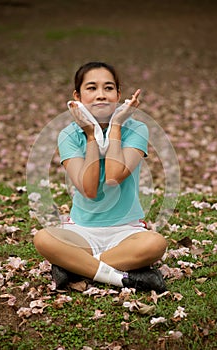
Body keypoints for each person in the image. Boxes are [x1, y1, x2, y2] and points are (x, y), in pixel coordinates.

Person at [34, 61, 167, 292]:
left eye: (108, 88)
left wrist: (116, 125)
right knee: (43, 238)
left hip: (126, 232)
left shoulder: (136, 129)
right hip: (81, 232)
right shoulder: (69, 135)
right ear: (78, 95)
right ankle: (122, 278)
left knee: (155, 243)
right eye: (92, 88)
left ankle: (75, 268)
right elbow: (90, 189)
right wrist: (91, 135)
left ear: (118, 94)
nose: (101, 95)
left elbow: (114, 176)